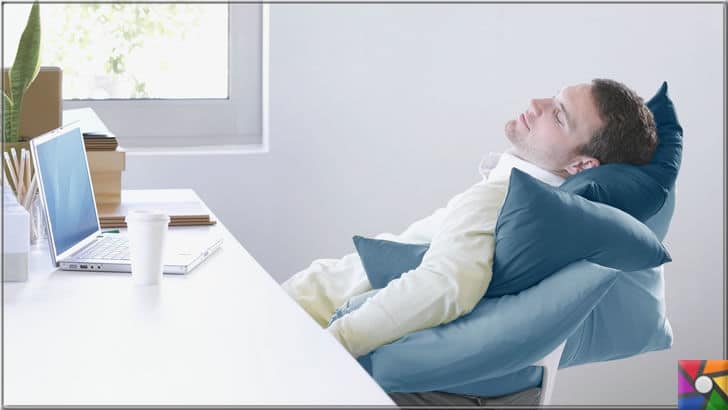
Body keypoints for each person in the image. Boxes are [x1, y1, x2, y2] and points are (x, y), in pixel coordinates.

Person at [282, 78, 657, 404]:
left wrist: (335, 342)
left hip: (308, 315)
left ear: (582, 165)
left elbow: (447, 284)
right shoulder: (563, 215)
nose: (536, 105)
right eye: (553, 97)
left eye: (558, 115)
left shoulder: (506, 198)